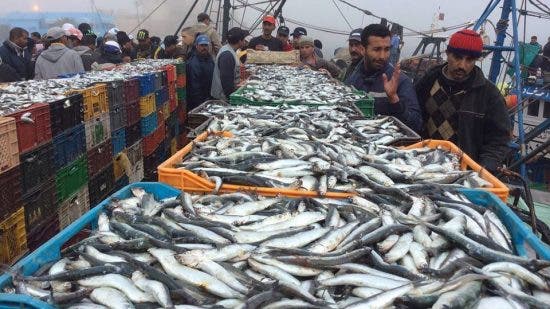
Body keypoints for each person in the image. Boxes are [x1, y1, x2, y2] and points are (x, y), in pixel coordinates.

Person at [415, 29, 511, 172]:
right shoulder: (428, 81)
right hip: (422, 164)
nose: (462, 65)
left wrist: (483, 169)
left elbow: (498, 139)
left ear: (476, 60)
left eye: (469, 60)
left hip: (462, 171)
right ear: (447, 53)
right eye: (457, 57)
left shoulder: (490, 94)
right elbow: (412, 117)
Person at [345, 24, 422, 133]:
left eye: (387, 49)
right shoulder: (353, 79)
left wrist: (394, 100)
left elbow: (416, 125)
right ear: (363, 49)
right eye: (377, 49)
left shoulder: (401, 81)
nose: (382, 56)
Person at [211, 27, 248, 100]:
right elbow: (227, 83)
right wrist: (232, 99)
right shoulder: (227, 56)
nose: (245, 41)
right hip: (223, 99)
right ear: (240, 41)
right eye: (244, 39)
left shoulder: (229, 50)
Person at [186, 34, 215, 111]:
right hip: (198, 102)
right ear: (196, 46)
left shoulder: (210, 59)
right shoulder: (193, 63)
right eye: (201, 45)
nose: (204, 48)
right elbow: (194, 87)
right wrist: (201, 104)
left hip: (208, 98)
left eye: (206, 45)